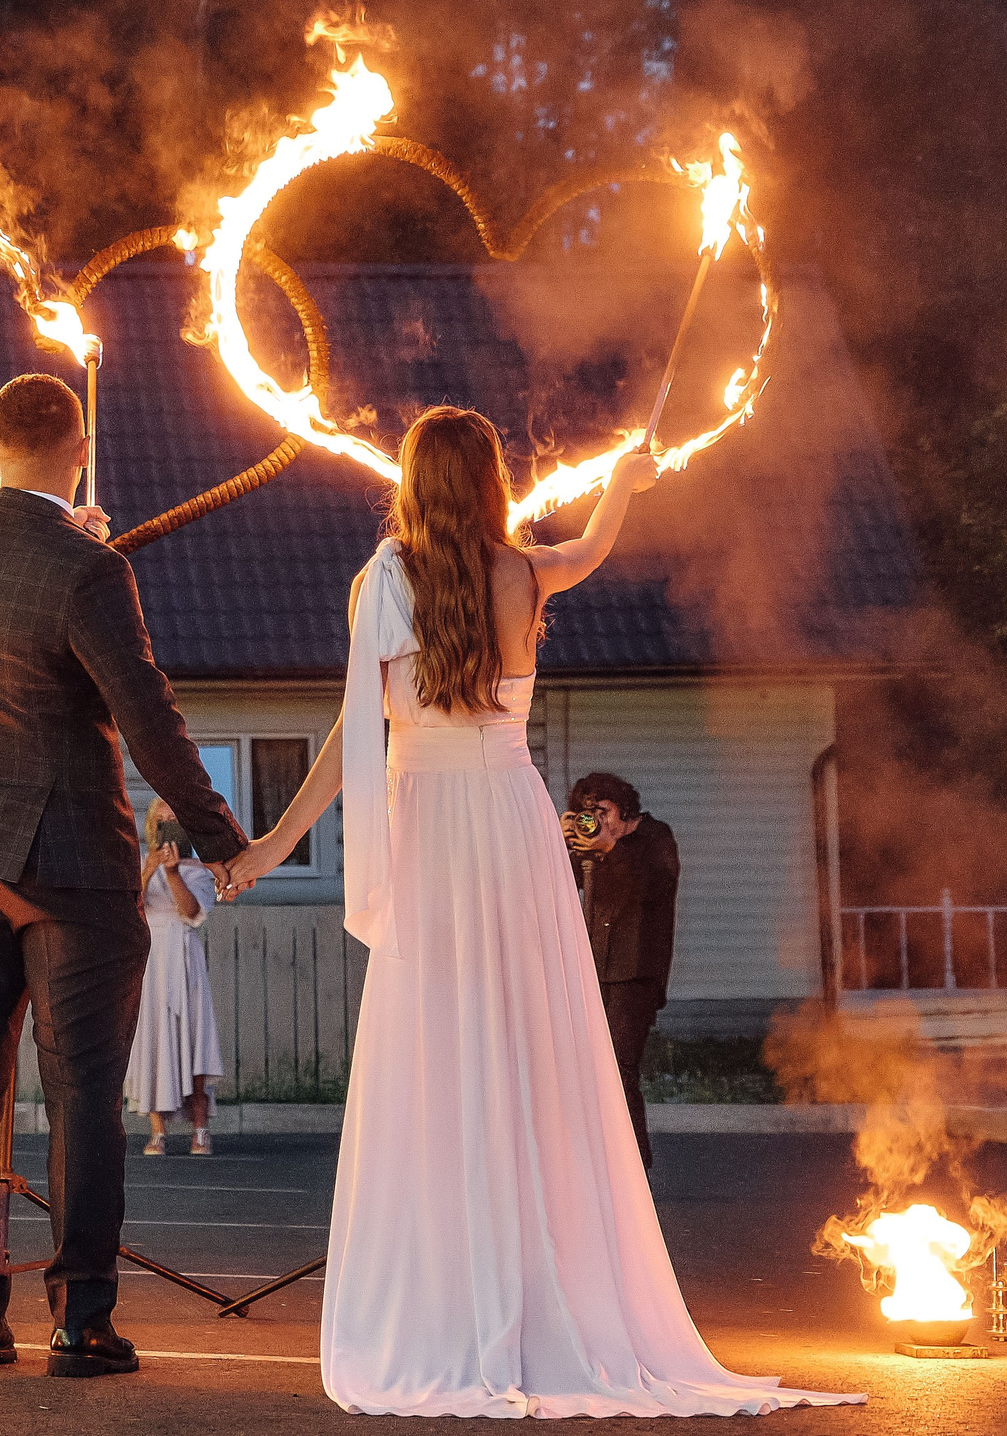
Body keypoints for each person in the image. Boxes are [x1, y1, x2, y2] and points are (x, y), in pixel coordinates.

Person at [222, 407, 861, 1418]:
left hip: (433, 825)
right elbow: (595, 545)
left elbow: (355, 737)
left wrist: (268, 846)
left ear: (410, 482)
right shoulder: (525, 572)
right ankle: (529, 1283)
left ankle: (449, 1288)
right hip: (512, 821)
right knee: (527, 1045)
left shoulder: (381, 581)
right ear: (487, 484)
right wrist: (625, 482)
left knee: (443, 1047)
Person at [0, 373, 248, 1380]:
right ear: (82, 445)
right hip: (67, 867)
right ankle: (80, 1321)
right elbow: (145, 714)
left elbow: (19, 580)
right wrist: (219, 837)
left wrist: (73, 542)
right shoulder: (89, 571)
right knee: (82, 1095)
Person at [563, 771, 681, 1170]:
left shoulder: (655, 836)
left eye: (602, 810)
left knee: (620, 1065)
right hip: (594, 968)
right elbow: (566, 885)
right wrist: (562, 845)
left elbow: (657, 883)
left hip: (635, 972)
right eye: (586, 812)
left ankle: (632, 1165)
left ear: (623, 807)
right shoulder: (592, 849)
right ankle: (602, 1161)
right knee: (594, 1067)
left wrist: (610, 847)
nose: (596, 819)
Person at [125, 797, 224, 1156]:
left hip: (184, 957)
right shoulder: (139, 864)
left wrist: (172, 872)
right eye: (161, 818)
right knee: (153, 1037)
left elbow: (192, 912)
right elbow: (127, 912)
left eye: (174, 818)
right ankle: (157, 1131)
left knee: (192, 1037)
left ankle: (200, 1128)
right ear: (153, 825)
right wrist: (149, 871)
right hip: (152, 958)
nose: (168, 823)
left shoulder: (198, 869)